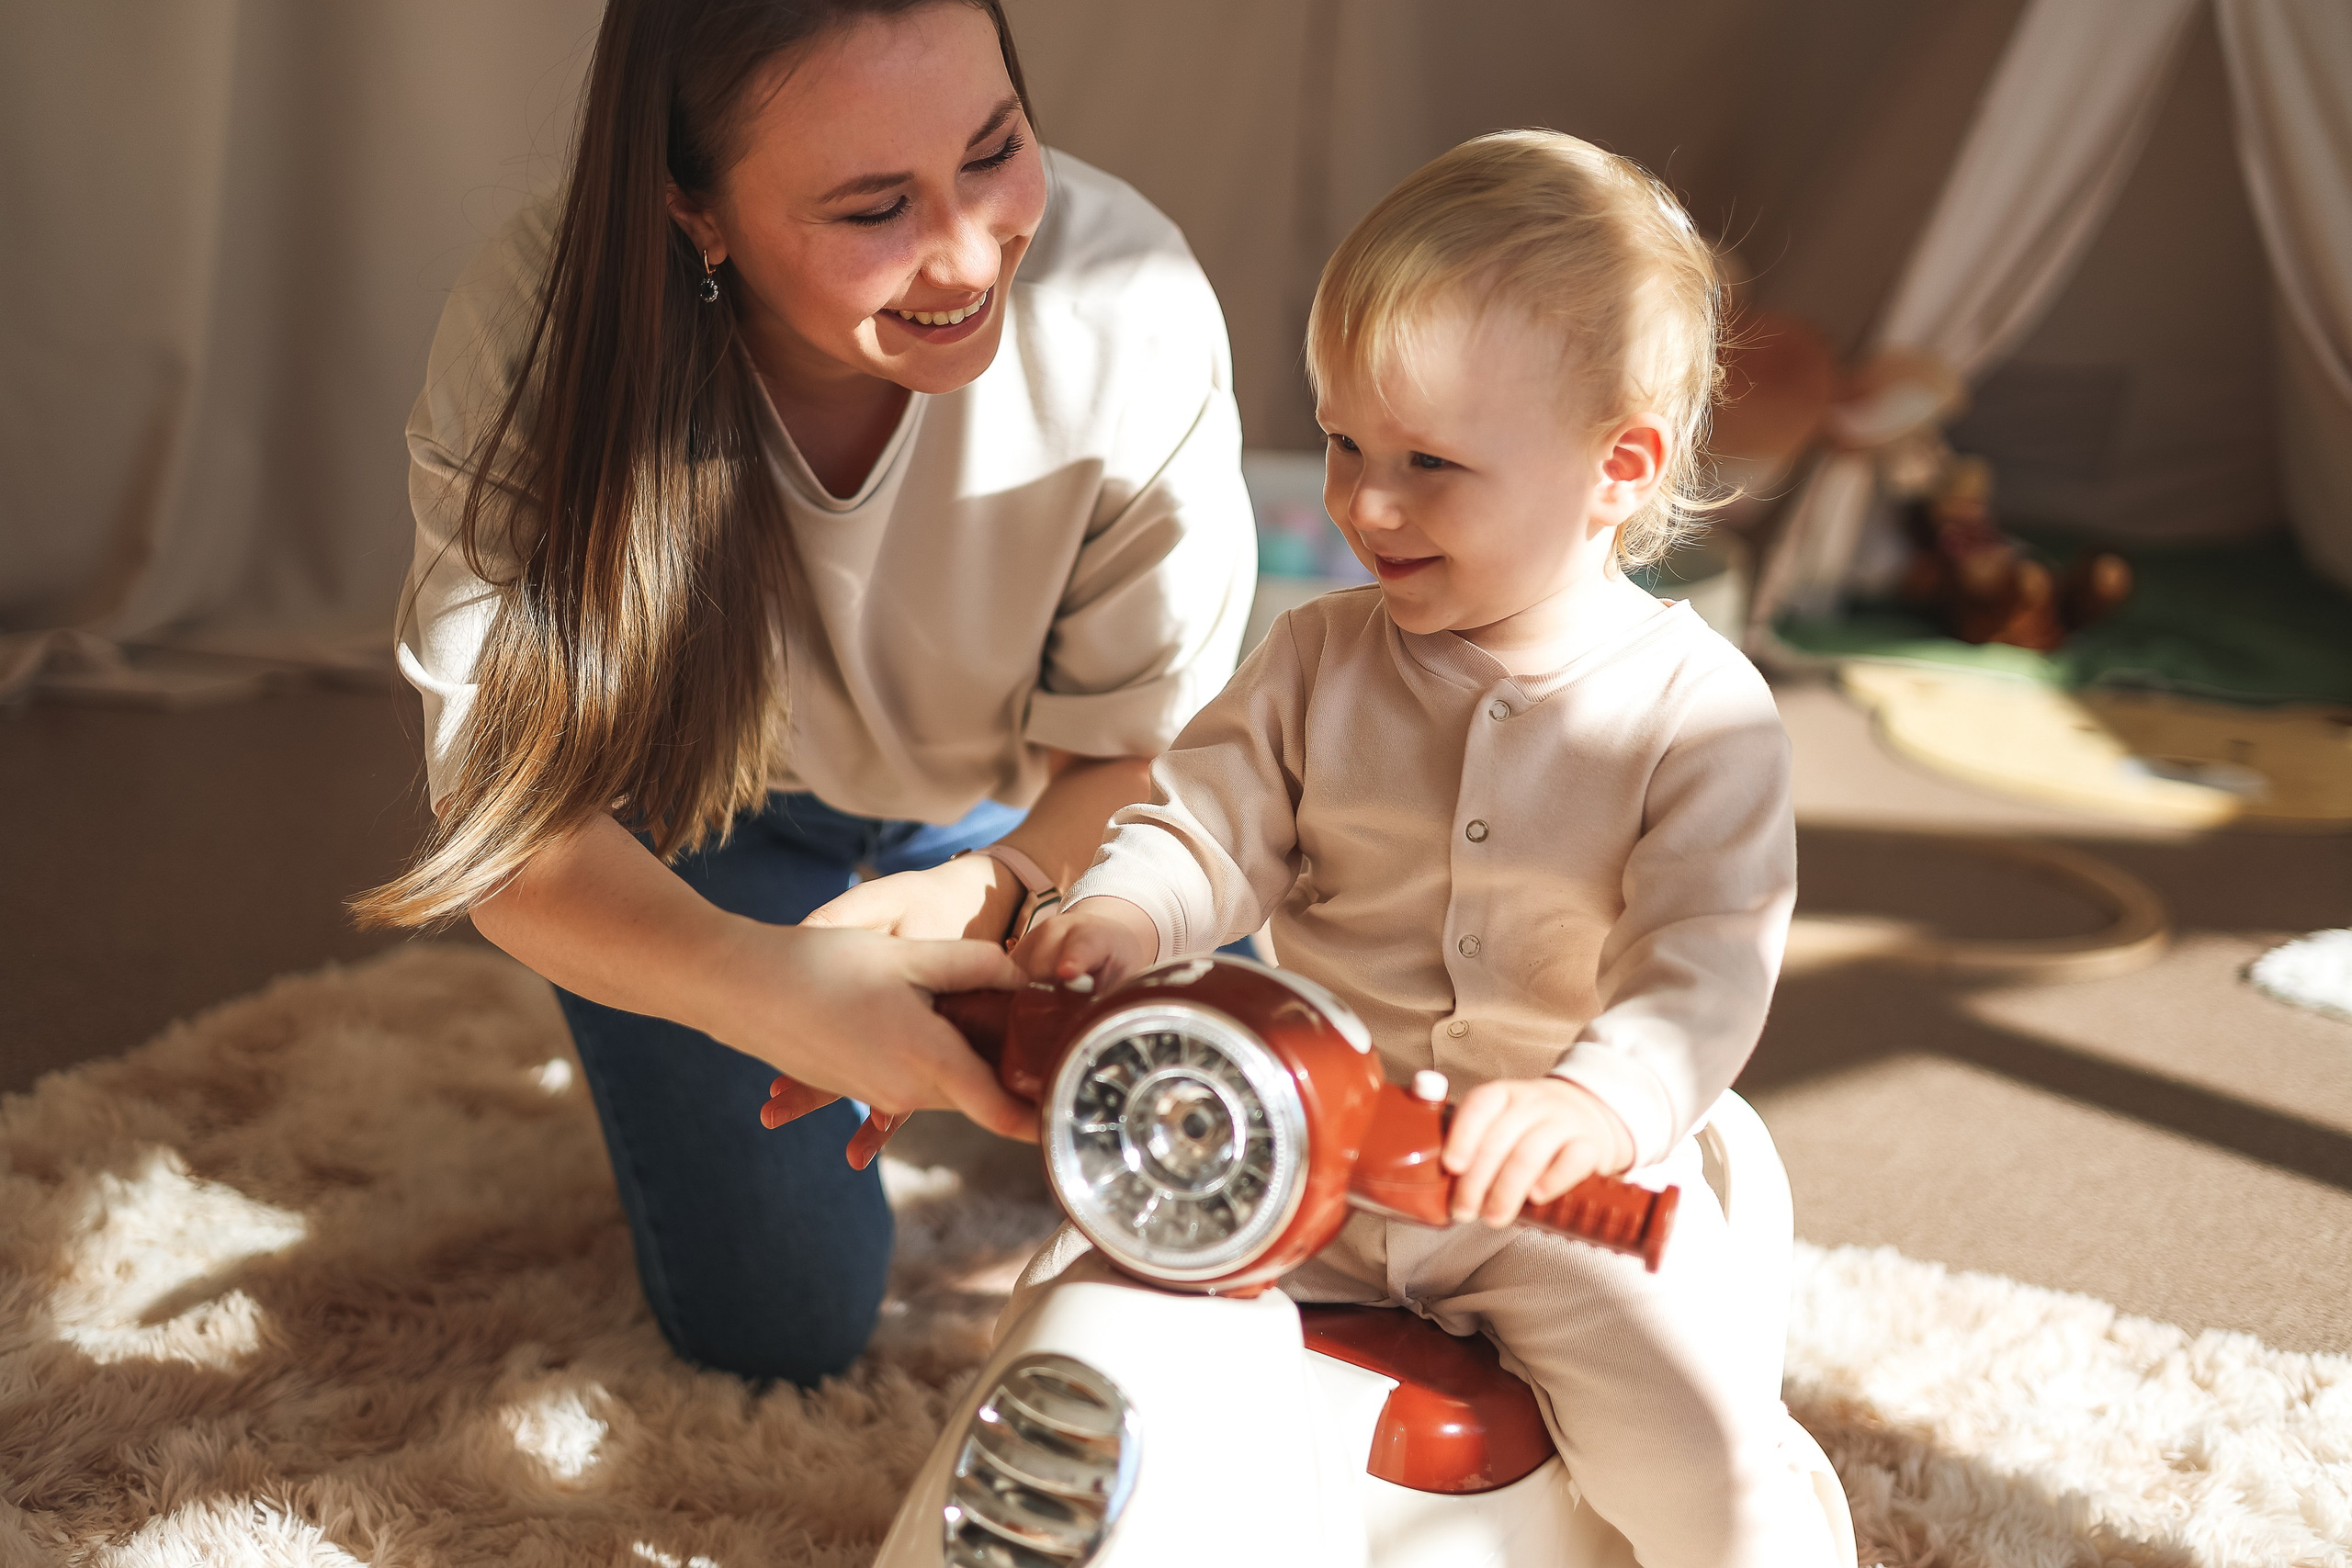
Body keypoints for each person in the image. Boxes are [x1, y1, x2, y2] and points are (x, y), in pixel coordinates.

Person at [355, 0, 1256, 1387]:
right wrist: (751, 982)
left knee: (1267, 1166)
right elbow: (511, 826)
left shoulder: (1129, 301)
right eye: (872, 207)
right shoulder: (538, 329)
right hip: (709, 834)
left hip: (1047, 813)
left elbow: (1161, 754)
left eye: (996, 146)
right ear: (695, 213)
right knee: (777, 1327)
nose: (967, 253)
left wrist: (1003, 883)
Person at [1016, 132, 1833, 1565]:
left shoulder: (1701, 716)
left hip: (1559, 1194)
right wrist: (1125, 916)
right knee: (1069, 1314)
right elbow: (1206, 825)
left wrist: (1600, 1102)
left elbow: (1702, 969)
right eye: (1342, 442)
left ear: (1616, 470)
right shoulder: (1317, 655)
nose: (1363, 503)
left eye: (1429, 465)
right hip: (1316, 1153)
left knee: (1703, 1453)